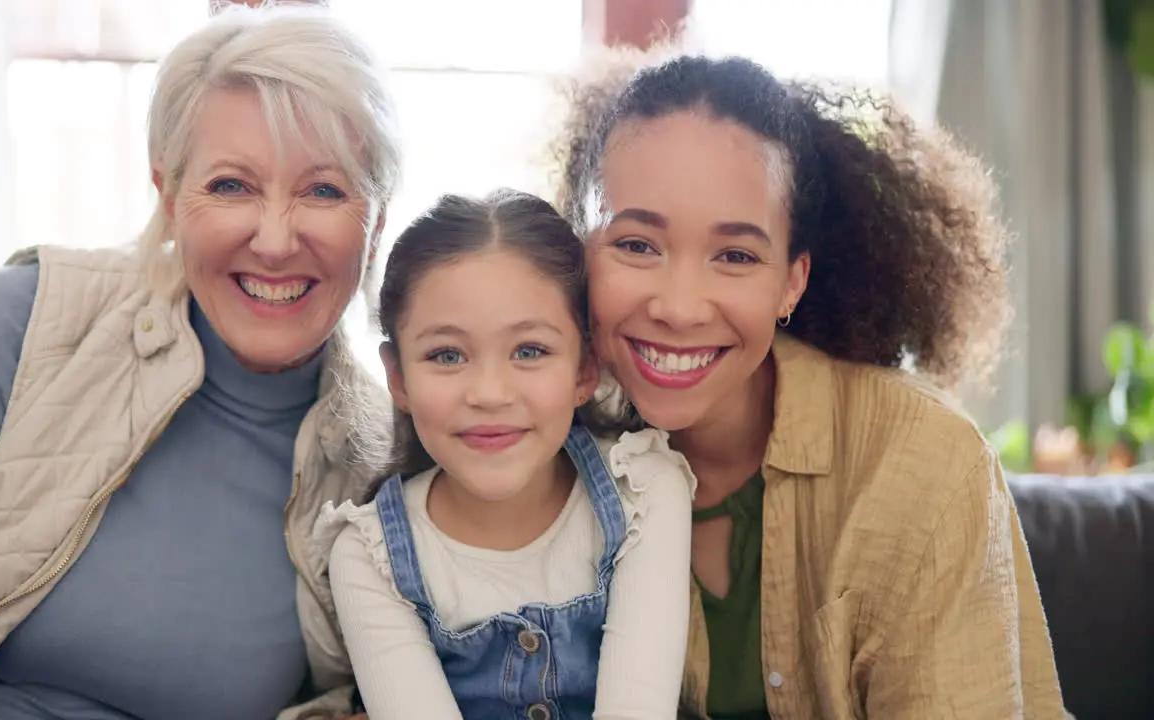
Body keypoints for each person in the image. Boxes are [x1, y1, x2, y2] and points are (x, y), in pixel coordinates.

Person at [0, 4, 398, 719]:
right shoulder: (18, 323)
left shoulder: (381, 460)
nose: (275, 241)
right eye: (231, 186)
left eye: (324, 190)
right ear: (169, 196)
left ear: (377, 224)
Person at [550, 54, 1068, 718]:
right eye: (636, 245)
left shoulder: (923, 464)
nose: (679, 308)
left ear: (791, 281)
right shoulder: (544, 450)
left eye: (735, 256)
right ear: (580, 249)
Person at [315, 189, 695, 719]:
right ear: (398, 377)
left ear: (585, 368)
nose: (490, 393)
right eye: (447, 355)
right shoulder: (368, 556)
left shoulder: (645, 490)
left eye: (529, 351)